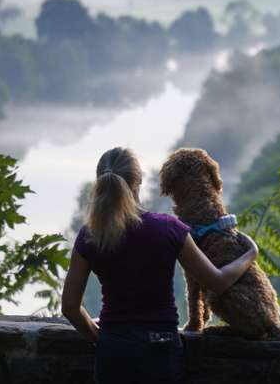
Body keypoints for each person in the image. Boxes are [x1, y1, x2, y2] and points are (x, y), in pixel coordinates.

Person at [62, 147, 258, 384]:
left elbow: (70, 307)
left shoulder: (90, 236)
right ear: (140, 181)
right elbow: (217, 282)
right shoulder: (168, 229)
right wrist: (251, 253)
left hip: (113, 350)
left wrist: (100, 337)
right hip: (160, 348)